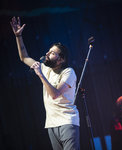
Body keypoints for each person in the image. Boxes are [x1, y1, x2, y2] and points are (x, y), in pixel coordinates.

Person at [10, 17, 80, 150]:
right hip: (51, 124)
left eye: (52, 53)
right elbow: (24, 57)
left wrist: (40, 74)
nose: (47, 53)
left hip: (67, 122)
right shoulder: (45, 68)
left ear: (61, 60)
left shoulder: (68, 72)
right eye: (49, 51)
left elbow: (55, 94)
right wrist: (18, 36)